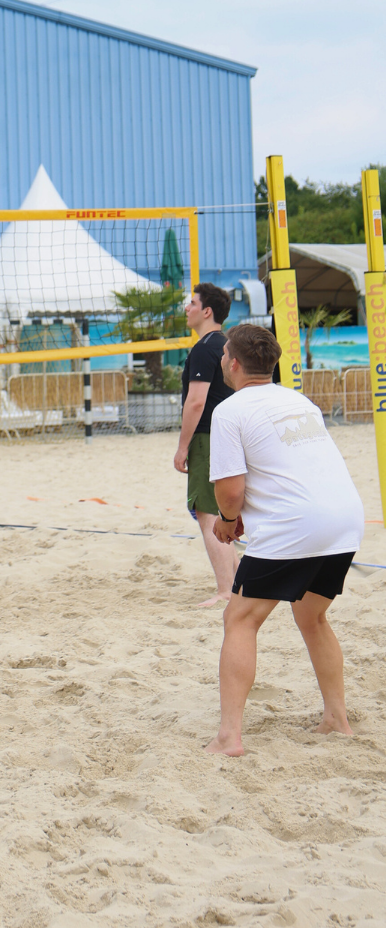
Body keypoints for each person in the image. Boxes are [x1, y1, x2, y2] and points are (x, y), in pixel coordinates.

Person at [205, 323, 363, 757]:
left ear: (233, 363)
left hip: (297, 525)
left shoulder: (231, 410)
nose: (221, 361)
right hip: (346, 518)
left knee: (240, 620)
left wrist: (227, 520)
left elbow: (231, 492)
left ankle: (229, 738)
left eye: (223, 355)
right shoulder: (300, 400)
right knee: (312, 617)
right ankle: (337, 719)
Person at [172, 282, 236, 607]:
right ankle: (236, 587)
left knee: (207, 512)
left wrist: (182, 447)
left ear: (207, 311)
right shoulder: (227, 345)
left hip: (208, 437)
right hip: (231, 436)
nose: (187, 307)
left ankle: (226, 590)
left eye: (192, 302)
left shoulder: (204, 347)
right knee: (225, 512)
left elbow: (196, 402)